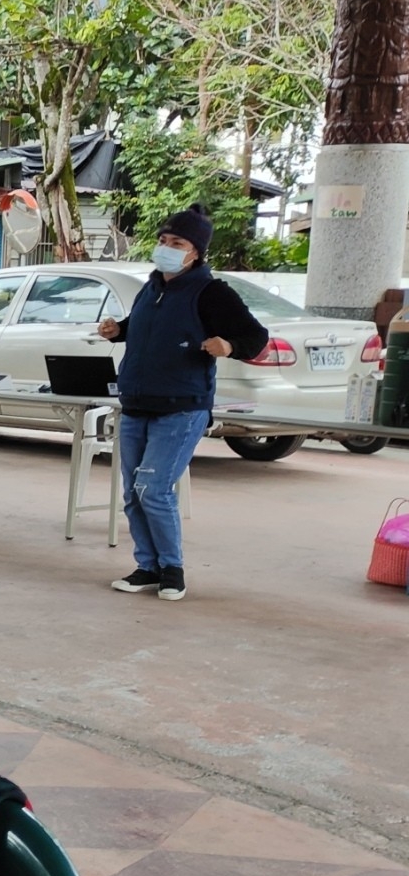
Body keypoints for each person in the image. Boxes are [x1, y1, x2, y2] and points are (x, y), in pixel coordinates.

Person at [96, 204, 269, 602]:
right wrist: (118, 330)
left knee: (153, 488)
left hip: (182, 407)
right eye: (163, 240)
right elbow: (145, 328)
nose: (166, 248)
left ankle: (172, 570)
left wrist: (228, 345)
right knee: (132, 492)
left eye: (177, 243)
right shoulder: (152, 287)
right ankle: (147, 567)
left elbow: (256, 338)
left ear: (196, 252)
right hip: (136, 403)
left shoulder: (212, 293)